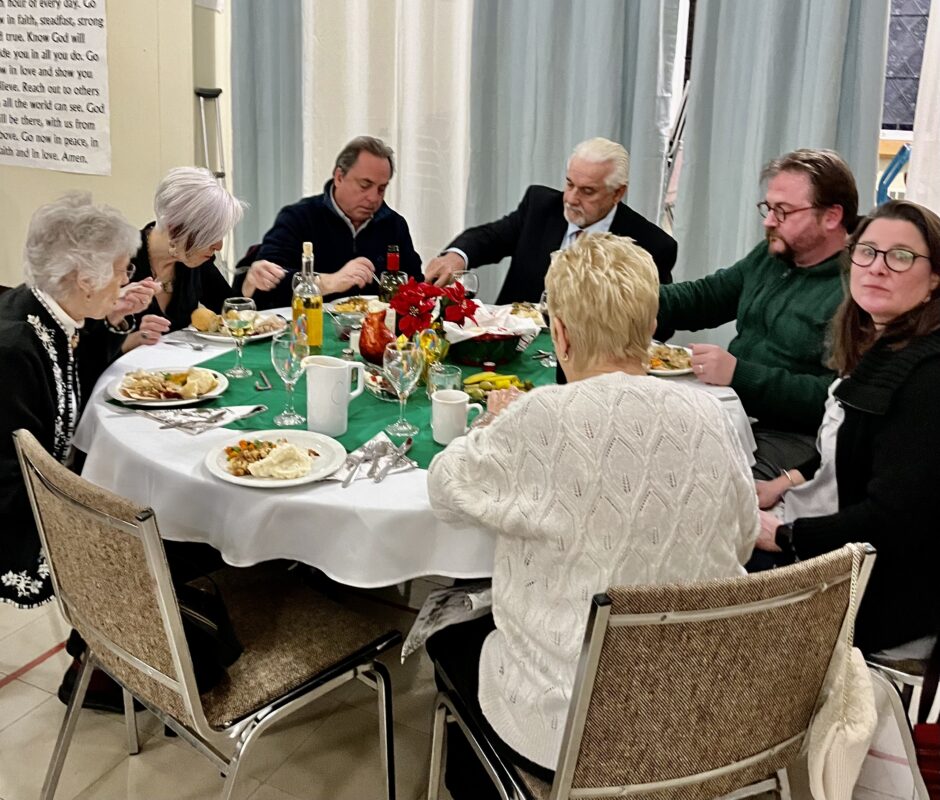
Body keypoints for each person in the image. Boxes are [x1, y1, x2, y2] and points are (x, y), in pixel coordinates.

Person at [425, 232, 758, 797]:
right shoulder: (713, 416)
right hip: (699, 718)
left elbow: (444, 491)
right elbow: (744, 539)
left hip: (570, 732)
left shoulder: (539, 418)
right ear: (651, 328)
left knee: (450, 637)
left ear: (560, 334)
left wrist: (488, 425)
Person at [754, 200, 940, 654]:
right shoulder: (886, 347)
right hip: (847, 549)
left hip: (885, 592)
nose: (877, 268)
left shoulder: (928, 376)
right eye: (867, 251)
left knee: (704, 582)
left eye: (901, 257)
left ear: (935, 279)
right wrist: (784, 481)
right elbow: (853, 442)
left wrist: (784, 537)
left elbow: (892, 519)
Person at [658, 148, 858, 478]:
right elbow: (707, 298)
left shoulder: (857, 289)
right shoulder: (773, 254)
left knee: (697, 483)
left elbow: (835, 399)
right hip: (728, 408)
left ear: (832, 216)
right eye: (768, 209)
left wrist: (740, 375)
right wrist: (630, 299)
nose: (768, 222)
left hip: (795, 437)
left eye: (783, 212)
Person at [0, 193, 142, 608]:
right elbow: (16, 471)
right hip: (19, 517)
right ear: (84, 279)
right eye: (120, 271)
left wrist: (112, 319)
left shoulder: (49, 310)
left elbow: (72, 374)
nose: (124, 281)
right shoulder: (13, 348)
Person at [423, 137, 677, 311]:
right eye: (569, 184)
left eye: (587, 191)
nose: (571, 198)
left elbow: (659, 319)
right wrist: (457, 256)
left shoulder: (651, 244)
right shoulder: (541, 206)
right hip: (517, 347)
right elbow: (491, 237)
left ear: (617, 193)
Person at [237, 135, 422, 307]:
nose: (374, 198)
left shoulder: (393, 225)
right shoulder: (298, 218)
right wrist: (330, 282)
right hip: (310, 330)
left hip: (376, 333)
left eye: (381, 189)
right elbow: (267, 285)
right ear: (339, 177)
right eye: (365, 186)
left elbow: (416, 286)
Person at [123, 166, 248, 350]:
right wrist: (132, 341)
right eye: (210, 235)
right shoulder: (119, 264)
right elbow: (86, 355)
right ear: (175, 229)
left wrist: (250, 285)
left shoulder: (194, 261)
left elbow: (232, 312)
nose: (219, 246)